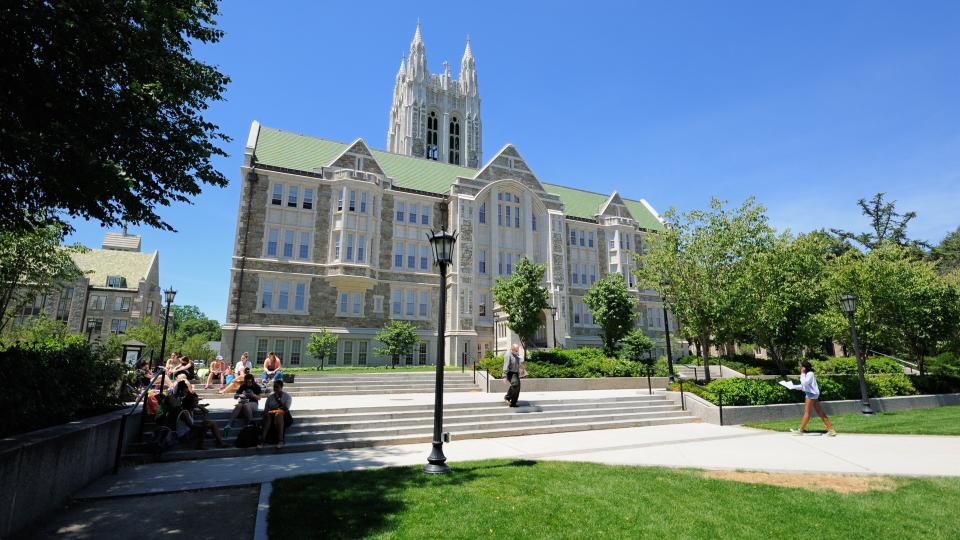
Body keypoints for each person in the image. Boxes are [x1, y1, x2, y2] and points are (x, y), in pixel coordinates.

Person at [791, 360, 837, 437]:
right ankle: (831, 430)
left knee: (807, 413)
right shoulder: (807, 374)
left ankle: (800, 430)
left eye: (801, 366)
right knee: (820, 412)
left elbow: (805, 383)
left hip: (811, 395)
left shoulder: (810, 374)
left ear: (804, 368)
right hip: (812, 394)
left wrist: (802, 374)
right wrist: (793, 387)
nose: (800, 368)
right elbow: (804, 386)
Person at [259, 379, 292, 449]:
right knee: (268, 416)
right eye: (274, 387)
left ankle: (280, 440)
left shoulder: (287, 397)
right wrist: (267, 413)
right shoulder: (270, 397)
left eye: (277, 387)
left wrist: (278, 399)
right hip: (271, 414)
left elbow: (286, 409)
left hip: (284, 415)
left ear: (281, 387)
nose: (275, 389)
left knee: (279, 414)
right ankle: (262, 440)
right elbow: (266, 409)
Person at [502, 343, 525, 407]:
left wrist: (522, 371)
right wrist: (504, 376)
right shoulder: (508, 355)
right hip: (510, 373)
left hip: (515, 373)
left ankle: (513, 403)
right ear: (512, 349)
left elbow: (520, 365)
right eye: (516, 350)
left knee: (518, 387)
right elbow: (505, 366)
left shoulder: (517, 355)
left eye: (517, 350)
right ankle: (507, 397)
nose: (517, 352)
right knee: (515, 384)